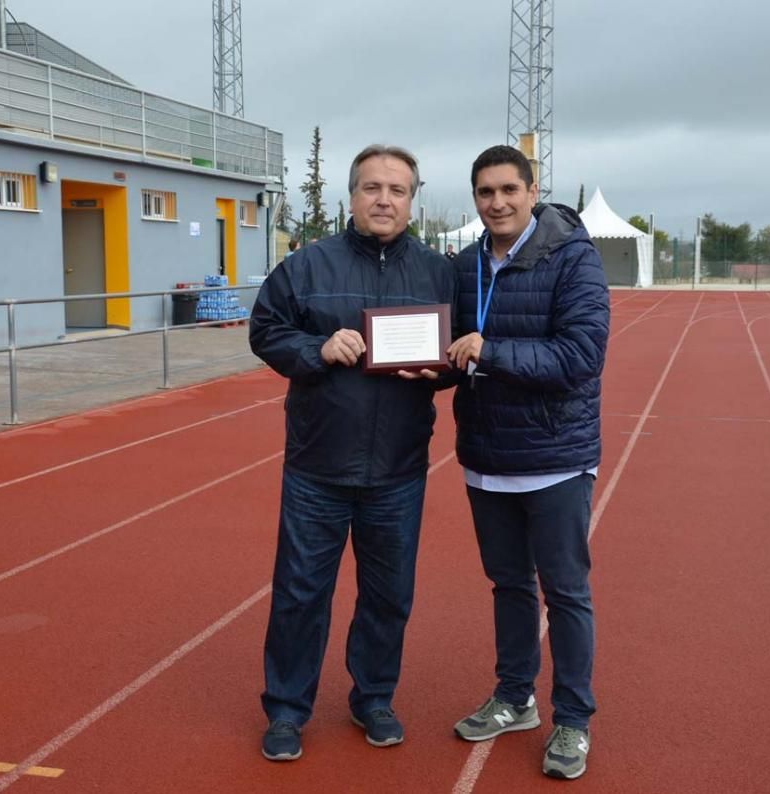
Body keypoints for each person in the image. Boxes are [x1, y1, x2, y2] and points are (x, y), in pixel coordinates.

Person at [249, 145, 456, 761]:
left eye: (396, 189)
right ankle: (287, 710)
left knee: (389, 594)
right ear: (351, 197)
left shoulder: (438, 271)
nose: (384, 199)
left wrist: (438, 370)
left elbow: (455, 358)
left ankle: (373, 697)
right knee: (299, 593)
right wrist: (316, 349)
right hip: (318, 465)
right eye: (371, 188)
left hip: (397, 467)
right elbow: (265, 330)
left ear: (412, 199)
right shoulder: (307, 266)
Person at [445, 146, 609, 780]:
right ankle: (515, 697)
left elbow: (580, 357)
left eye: (509, 189)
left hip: (556, 459)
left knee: (566, 593)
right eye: (485, 192)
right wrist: (416, 364)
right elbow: (453, 350)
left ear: (533, 189)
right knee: (509, 587)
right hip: (486, 459)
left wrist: (491, 352)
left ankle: (572, 720)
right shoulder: (465, 267)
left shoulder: (574, 260)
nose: (497, 203)